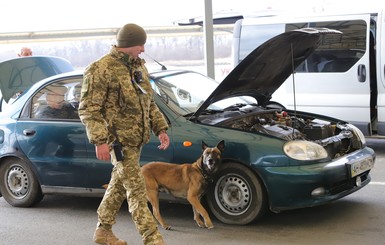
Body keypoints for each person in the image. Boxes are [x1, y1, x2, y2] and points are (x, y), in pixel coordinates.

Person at [78, 23, 169, 245]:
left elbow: (148, 102)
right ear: (129, 44)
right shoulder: (100, 69)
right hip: (118, 142)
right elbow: (88, 109)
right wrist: (100, 141)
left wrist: (161, 128)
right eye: (141, 44)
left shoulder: (138, 68)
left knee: (118, 186)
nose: (143, 49)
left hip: (136, 139)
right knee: (137, 191)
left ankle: (103, 231)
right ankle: (153, 239)